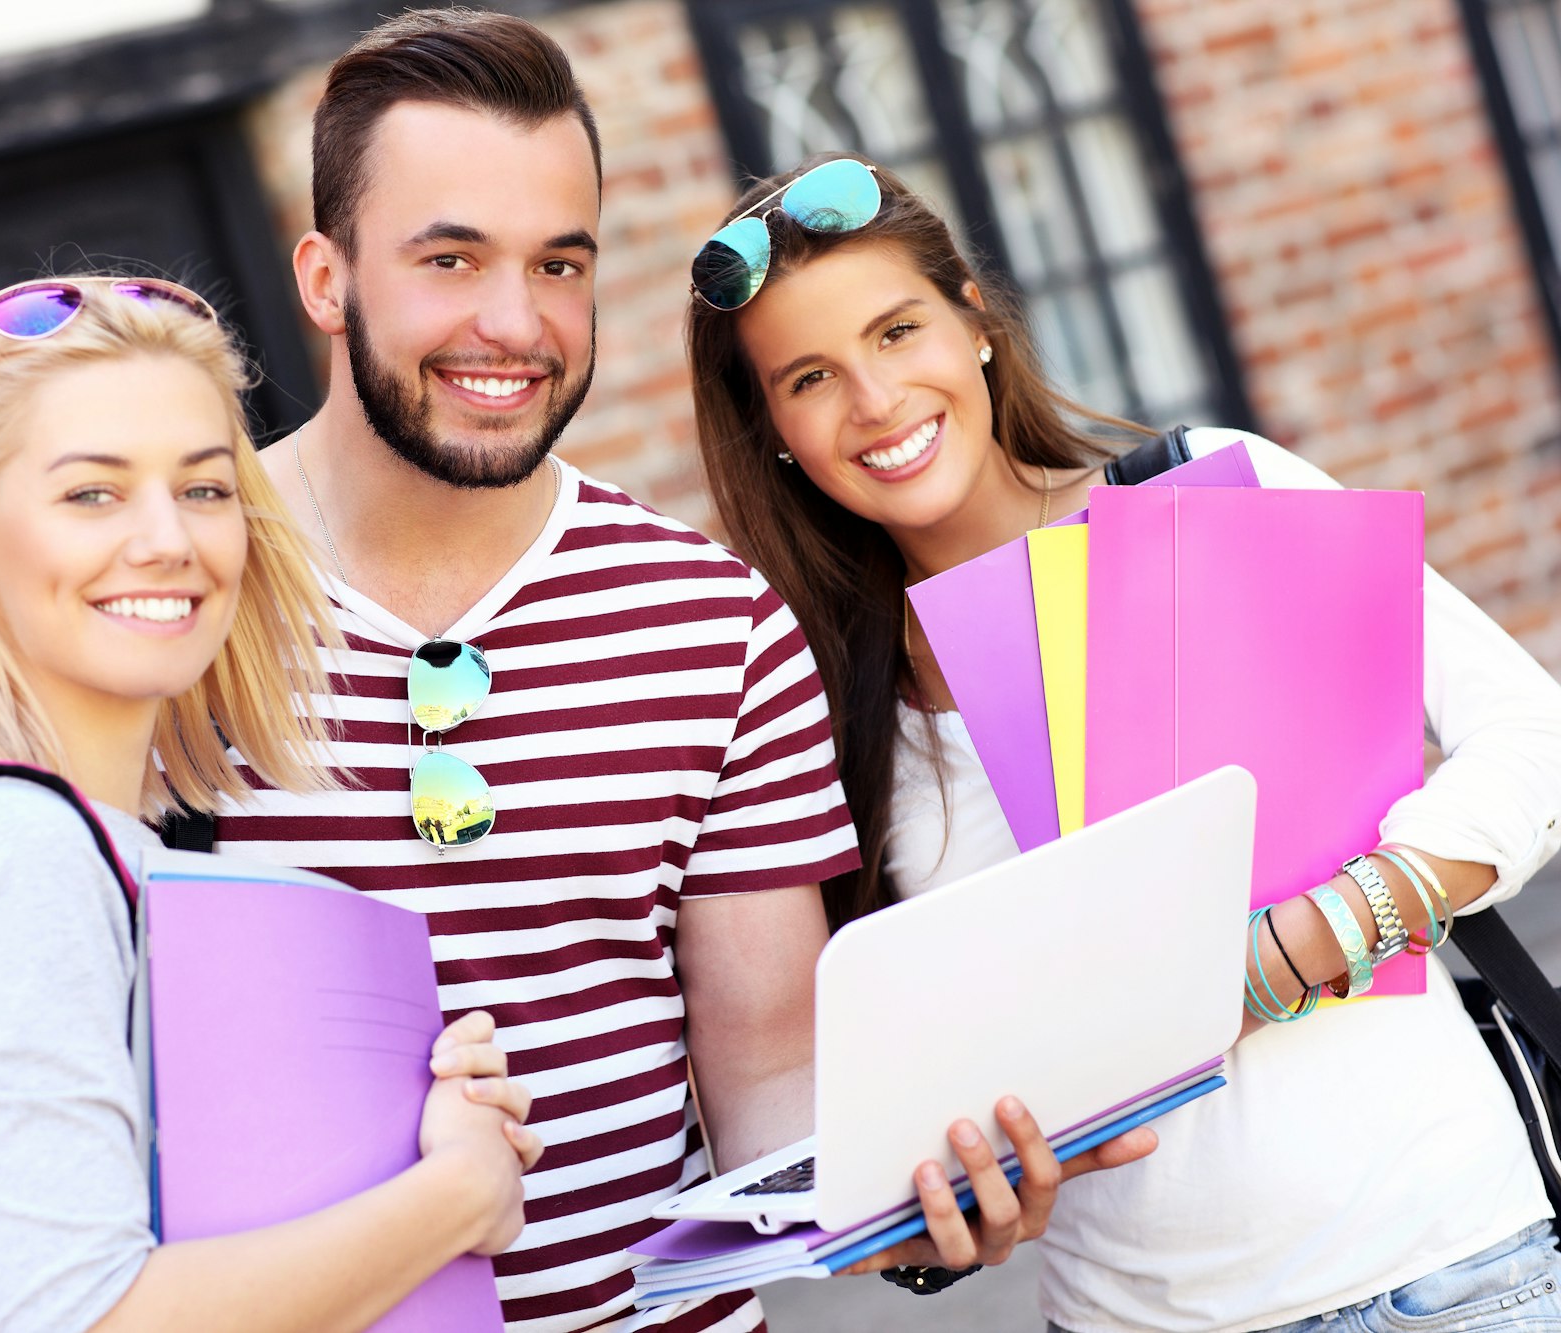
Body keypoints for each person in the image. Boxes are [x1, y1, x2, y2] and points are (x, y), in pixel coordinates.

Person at [215, 12, 1156, 1332]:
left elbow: (770, 1085)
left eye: (559, 263)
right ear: (326, 277)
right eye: (450, 259)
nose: (513, 321)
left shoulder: (718, 628)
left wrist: (927, 1207)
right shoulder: (178, 598)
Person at [685, 151, 1561, 1332]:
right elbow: (870, 1088)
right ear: (775, 430)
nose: (875, 401)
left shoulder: (1206, 493)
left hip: (1444, 1266)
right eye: (809, 377)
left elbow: (1528, 732)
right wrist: (934, 1220)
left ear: (976, 322)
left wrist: (1316, 933)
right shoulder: (826, 709)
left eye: (897, 332)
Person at [0, 273, 544, 1333]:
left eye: (202, 487)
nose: (166, 541)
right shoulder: (16, 851)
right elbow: (81, 1320)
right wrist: (455, 1195)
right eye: (92, 493)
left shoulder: (113, 843)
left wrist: (412, 1119)